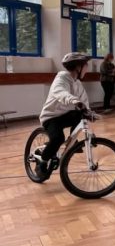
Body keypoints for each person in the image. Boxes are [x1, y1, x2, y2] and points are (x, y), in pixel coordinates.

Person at [36, 52, 92, 180]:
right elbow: (61, 93)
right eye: (86, 65)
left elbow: (84, 100)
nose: (87, 69)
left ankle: (72, 140)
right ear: (78, 67)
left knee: (80, 114)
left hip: (65, 115)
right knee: (57, 138)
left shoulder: (77, 83)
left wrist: (89, 112)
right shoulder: (61, 78)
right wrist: (74, 101)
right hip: (51, 117)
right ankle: (42, 162)